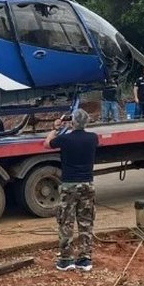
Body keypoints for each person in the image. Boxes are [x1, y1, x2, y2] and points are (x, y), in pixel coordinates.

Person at [44, 109, 99, 272]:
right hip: (88, 184)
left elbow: (47, 144)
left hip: (69, 185)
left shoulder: (65, 139)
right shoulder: (93, 138)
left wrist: (56, 127)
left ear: (72, 122)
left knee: (66, 222)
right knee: (86, 221)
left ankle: (66, 259)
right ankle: (85, 258)